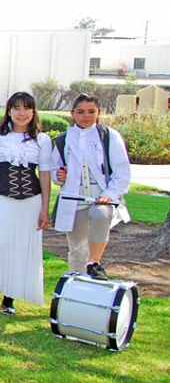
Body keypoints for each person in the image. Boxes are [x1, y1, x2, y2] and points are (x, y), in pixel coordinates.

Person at [0, 92, 53, 315]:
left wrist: (45, 209)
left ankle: (9, 297)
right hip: (1, 198)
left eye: (26, 108)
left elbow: (45, 175)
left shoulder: (42, 140)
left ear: (33, 111)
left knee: (20, 247)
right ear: (9, 111)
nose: (21, 113)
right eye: (16, 108)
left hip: (30, 201)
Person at [52, 93, 131, 280]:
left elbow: (122, 171)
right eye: (80, 112)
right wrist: (59, 175)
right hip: (74, 197)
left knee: (101, 214)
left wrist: (110, 194)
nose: (86, 116)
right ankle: (79, 290)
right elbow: (55, 171)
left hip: (101, 196)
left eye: (91, 111)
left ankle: (94, 262)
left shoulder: (109, 136)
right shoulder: (64, 139)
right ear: (72, 113)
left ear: (98, 113)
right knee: (77, 250)